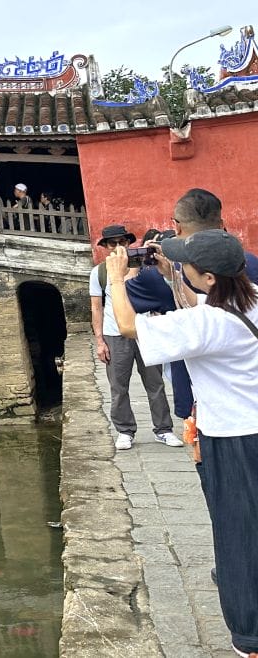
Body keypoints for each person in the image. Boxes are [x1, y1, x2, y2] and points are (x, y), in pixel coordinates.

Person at [106, 229, 258, 656]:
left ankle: (250, 637)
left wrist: (117, 277)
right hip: (249, 426)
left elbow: (127, 324)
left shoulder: (208, 322)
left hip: (235, 439)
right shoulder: (247, 300)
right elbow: (198, 303)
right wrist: (173, 271)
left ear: (210, 277)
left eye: (187, 264)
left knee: (237, 534)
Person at [163, 188, 258, 419]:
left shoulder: (184, 267)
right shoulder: (249, 262)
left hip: (211, 400)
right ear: (221, 222)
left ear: (176, 225)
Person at [90, 223, 180, 450]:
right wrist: (100, 341)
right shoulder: (99, 272)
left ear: (130, 243)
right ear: (106, 247)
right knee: (118, 385)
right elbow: (96, 308)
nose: (118, 246)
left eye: (123, 241)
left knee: (155, 383)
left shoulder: (146, 268)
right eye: (113, 243)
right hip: (115, 332)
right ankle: (125, 430)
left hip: (145, 330)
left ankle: (164, 429)